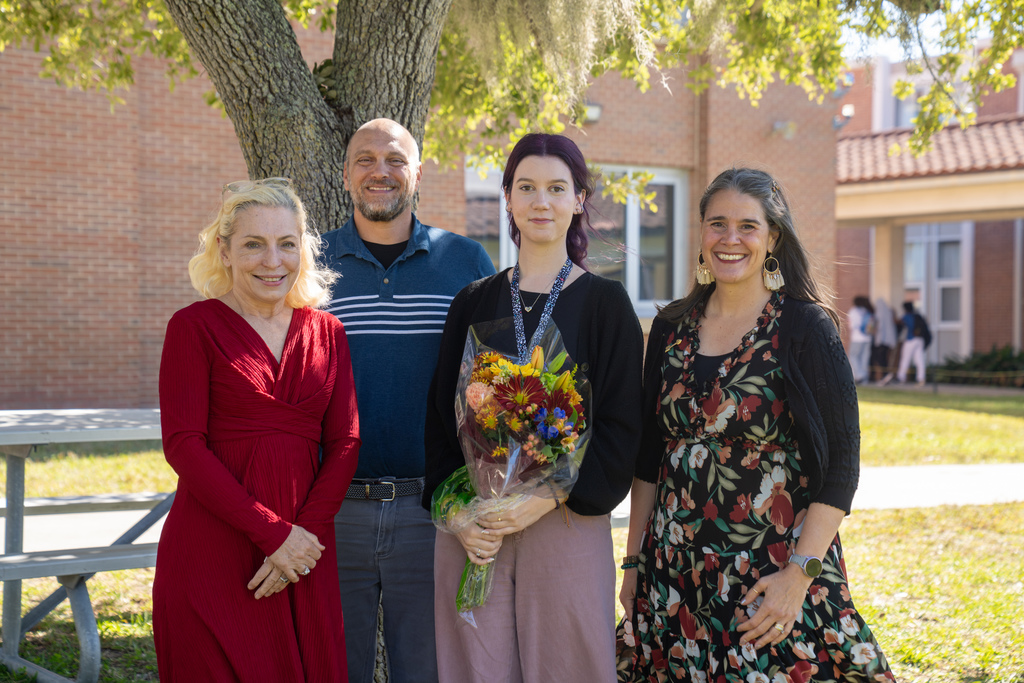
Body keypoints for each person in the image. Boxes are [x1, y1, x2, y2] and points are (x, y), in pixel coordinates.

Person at [619, 168, 894, 682]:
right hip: (675, 571)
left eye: (748, 226)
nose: (730, 239)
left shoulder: (803, 328)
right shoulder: (670, 328)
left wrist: (798, 576)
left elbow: (841, 468)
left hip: (770, 573)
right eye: (717, 223)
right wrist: (634, 562)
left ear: (772, 238)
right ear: (700, 233)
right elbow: (649, 458)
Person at [424, 133, 644, 682]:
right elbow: (438, 424)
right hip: (477, 531)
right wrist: (458, 516)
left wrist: (543, 497)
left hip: (564, 523)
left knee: (569, 668)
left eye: (555, 188)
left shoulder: (606, 304)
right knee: (475, 670)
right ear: (507, 199)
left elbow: (620, 430)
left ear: (578, 200)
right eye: (526, 187)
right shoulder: (472, 301)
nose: (540, 201)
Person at [154, 178, 360, 681]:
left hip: (304, 553)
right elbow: (183, 445)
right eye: (253, 244)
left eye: (286, 244)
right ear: (223, 251)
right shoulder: (192, 327)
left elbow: (345, 441)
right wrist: (273, 535)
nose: (273, 260)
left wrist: (300, 538)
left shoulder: (327, 333)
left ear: (302, 250)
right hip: (214, 550)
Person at [322, 118, 495, 682]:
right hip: (331, 512)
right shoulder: (308, 264)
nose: (381, 171)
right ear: (345, 175)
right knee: (331, 670)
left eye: (395, 159)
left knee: (426, 672)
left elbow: (493, 390)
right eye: (366, 160)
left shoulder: (465, 262)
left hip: (432, 512)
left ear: (418, 173)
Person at [897, 301, 930, 386]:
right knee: (919, 360)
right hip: (920, 340)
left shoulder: (907, 316)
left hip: (911, 339)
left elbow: (899, 322)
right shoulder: (917, 316)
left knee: (905, 359)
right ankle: (921, 378)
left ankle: (901, 377)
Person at [846, 296, 875, 384]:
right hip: (868, 338)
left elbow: (851, 325)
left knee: (853, 356)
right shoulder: (868, 311)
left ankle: (859, 375)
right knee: (864, 358)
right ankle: (864, 379)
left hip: (857, 337)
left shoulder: (853, 311)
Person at [872, 297, 898, 384]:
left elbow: (880, 328)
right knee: (884, 358)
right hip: (888, 340)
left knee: (881, 359)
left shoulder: (879, 313)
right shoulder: (889, 313)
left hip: (881, 340)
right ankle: (886, 375)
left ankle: (886, 375)